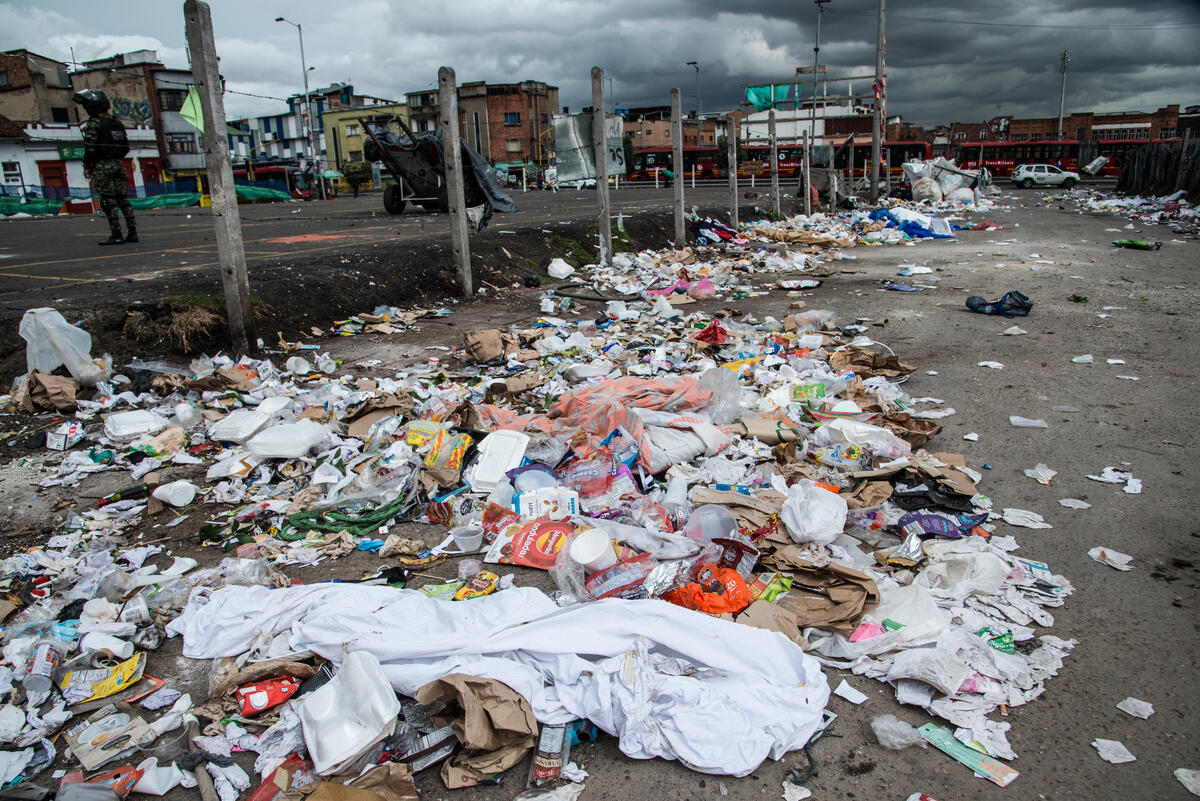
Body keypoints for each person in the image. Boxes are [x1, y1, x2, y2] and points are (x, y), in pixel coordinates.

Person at [73, 89, 136, 246]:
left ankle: (116, 233)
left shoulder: (94, 123)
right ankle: (132, 231)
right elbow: (125, 147)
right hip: (118, 163)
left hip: (103, 164)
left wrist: (88, 165)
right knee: (123, 199)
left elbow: (91, 147)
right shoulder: (116, 122)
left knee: (108, 200)